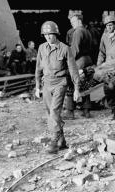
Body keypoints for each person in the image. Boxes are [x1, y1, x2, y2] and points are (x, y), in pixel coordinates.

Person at [35, 21, 80, 153]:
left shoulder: (65, 48)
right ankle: (62, 141)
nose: (48, 37)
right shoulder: (42, 48)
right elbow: (38, 67)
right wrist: (37, 86)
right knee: (51, 114)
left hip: (60, 83)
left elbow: (73, 69)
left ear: (56, 34)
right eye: (46, 34)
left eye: (51, 34)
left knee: (54, 112)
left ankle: (54, 141)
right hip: (47, 83)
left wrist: (77, 88)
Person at [65, 14, 93, 119]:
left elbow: (75, 49)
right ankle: (86, 111)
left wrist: (67, 60)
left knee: (71, 84)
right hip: (88, 60)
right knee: (85, 85)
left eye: (73, 22)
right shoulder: (87, 31)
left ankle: (70, 113)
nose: (71, 24)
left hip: (79, 60)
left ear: (79, 21)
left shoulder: (77, 32)